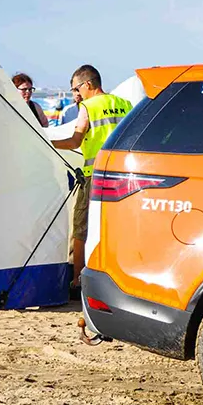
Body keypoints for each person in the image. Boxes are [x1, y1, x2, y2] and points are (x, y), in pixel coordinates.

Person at [49, 66, 132, 293]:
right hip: (122, 176)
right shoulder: (125, 104)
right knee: (115, 229)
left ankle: (77, 280)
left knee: (81, 227)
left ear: (87, 84)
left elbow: (75, 141)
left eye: (77, 89)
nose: (77, 94)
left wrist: (48, 143)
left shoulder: (88, 107)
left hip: (94, 176)